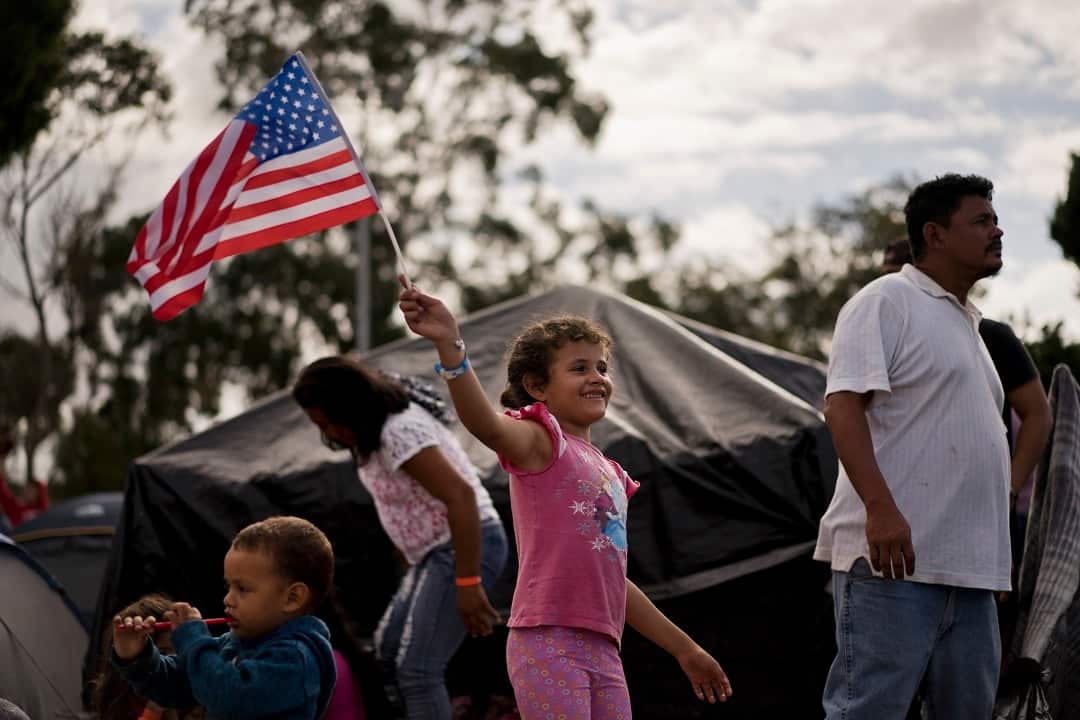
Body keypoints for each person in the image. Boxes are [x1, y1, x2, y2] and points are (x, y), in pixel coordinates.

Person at [398, 281, 733, 719]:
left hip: (605, 649)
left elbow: (615, 580)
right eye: (579, 368)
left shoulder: (611, 473)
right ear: (537, 386)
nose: (597, 377)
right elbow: (487, 425)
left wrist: (684, 649)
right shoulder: (542, 440)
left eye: (602, 367)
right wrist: (450, 344)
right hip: (548, 641)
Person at [816, 174, 1014, 719]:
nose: (997, 231)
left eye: (994, 219)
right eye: (981, 221)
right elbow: (842, 407)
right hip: (893, 569)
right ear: (935, 234)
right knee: (868, 712)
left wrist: (990, 565)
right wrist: (880, 509)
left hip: (970, 579)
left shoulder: (969, 324)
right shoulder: (886, 300)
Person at [293, 357, 509, 720]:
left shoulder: (398, 432)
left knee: (417, 669)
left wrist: (468, 582)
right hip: (432, 554)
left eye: (329, 421)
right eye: (320, 426)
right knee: (389, 651)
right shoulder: (373, 430)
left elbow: (461, 496)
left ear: (350, 406)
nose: (329, 433)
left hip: (463, 544)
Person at [112, 516, 337, 720]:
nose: (228, 599)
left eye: (243, 588)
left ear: (292, 598)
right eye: (228, 586)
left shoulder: (297, 658)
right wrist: (137, 656)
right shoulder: (234, 644)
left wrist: (193, 639)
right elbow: (177, 685)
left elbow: (230, 699)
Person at [90, 593, 204, 720]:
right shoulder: (120, 704)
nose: (175, 663)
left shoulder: (201, 700)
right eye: (163, 654)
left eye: (181, 652)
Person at [0, 423, 48, 529]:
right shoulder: (17, 508)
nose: (27, 490)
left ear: (39, 494)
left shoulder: (45, 515)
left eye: (32, 489)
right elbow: (3, 493)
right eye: (27, 487)